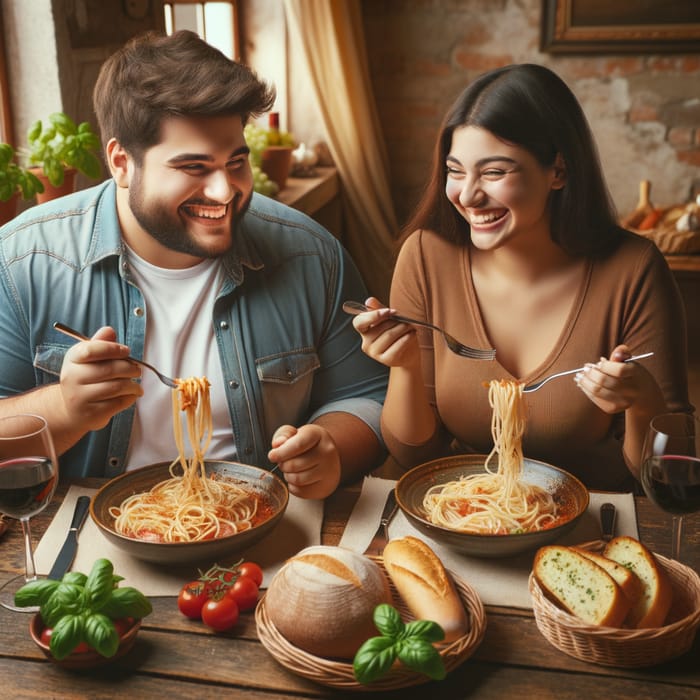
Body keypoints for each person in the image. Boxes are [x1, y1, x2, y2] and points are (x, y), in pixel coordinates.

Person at [0, 30, 388, 500]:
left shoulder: (310, 253)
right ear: (121, 162)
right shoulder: (22, 262)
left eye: (236, 162)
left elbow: (367, 396)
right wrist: (65, 407)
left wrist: (331, 448)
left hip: (258, 521)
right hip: (89, 535)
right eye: (194, 168)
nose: (225, 192)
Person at [351, 63, 692, 492]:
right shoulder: (425, 254)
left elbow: (668, 471)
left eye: (494, 173)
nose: (468, 195)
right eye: (455, 171)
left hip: (593, 521)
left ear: (559, 172)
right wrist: (403, 367)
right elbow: (414, 456)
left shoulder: (633, 268)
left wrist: (641, 401)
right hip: (467, 513)